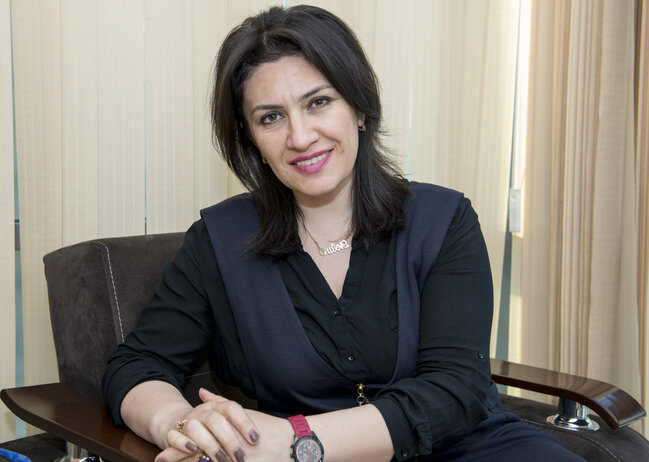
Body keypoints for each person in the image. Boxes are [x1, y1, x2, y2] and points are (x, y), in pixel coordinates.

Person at [103, 5, 586, 462]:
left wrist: (296, 442)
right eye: (271, 117)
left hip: (467, 449)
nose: (300, 137)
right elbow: (137, 365)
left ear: (358, 107)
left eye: (318, 102)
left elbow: (456, 390)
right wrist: (184, 423)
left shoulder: (444, 220)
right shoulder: (219, 240)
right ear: (251, 140)